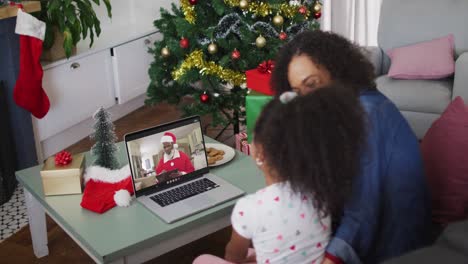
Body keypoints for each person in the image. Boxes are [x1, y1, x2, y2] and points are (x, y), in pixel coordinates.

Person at [270, 30, 431, 264]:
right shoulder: (344, 107)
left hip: (393, 246)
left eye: (312, 84)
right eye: (298, 92)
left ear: (337, 71)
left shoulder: (366, 115)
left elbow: (362, 212)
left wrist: (330, 258)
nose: (306, 100)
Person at [193, 85, 366, 264]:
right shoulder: (322, 194)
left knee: (202, 259)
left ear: (259, 153)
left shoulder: (249, 208)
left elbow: (234, 256)